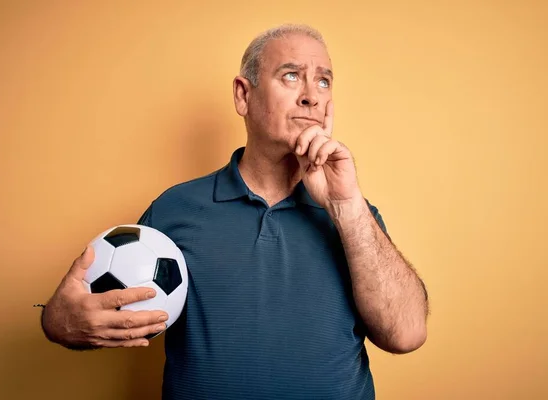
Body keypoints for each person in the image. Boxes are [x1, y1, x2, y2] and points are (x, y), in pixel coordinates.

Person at [40, 24, 429, 399]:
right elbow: (93, 312)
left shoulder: (356, 215)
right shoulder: (175, 210)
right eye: (291, 76)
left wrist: (346, 206)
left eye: (324, 81)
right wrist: (61, 321)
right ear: (244, 96)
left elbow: (407, 334)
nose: (312, 95)